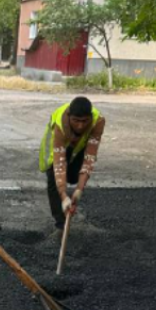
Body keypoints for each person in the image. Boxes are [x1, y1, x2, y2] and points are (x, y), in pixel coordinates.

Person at [39, 96, 106, 230]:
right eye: (76, 121)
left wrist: (79, 189)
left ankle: (70, 184)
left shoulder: (98, 121)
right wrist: (64, 196)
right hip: (55, 147)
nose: (80, 126)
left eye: (85, 121)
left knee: (73, 177)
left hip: (77, 147)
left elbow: (89, 157)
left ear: (90, 118)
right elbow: (59, 164)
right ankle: (61, 225)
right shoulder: (60, 125)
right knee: (54, 178)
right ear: (69, 116)